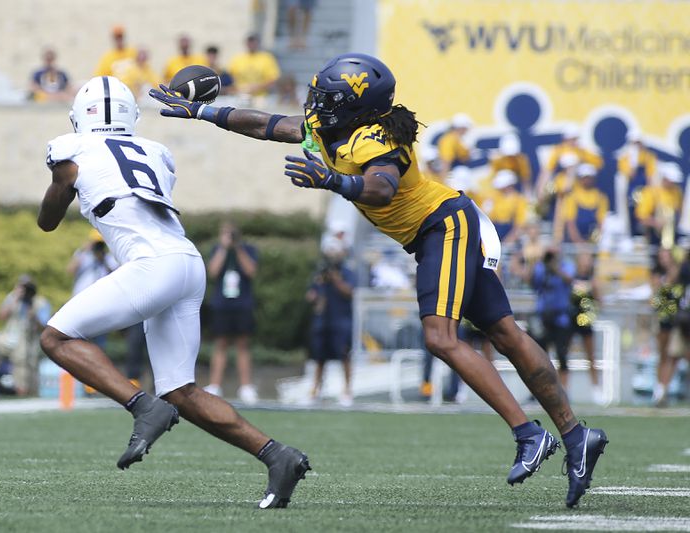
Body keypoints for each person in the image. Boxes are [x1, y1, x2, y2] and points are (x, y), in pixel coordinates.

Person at [151, 52, 608, 508]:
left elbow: (380, 187)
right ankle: (575, 434)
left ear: (359, 106)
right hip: (439, 229)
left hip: (443, 226)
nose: (316, 104)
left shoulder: (378, 137)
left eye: (328, 98)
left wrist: (332, 181)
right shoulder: (331, 124)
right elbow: (268, 124)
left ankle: (530, 434)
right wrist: (205, 112)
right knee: (505, 332)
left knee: (441, 338)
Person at [37, 76, 310, 508]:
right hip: (187, 263)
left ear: (78, 118)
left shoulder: (68, 150)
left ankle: (141, 406)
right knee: (180, 389)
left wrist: (61, 184)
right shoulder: (157, 152)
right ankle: (279, 456)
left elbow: (48, 220)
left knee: (56, 337)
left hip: (152, 266)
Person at [203, 221, 260, 405]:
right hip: (222, 303)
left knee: (243, 344)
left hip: (242, 303)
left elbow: (251, 271)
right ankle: (215, 385)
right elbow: (212, 271)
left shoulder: (248, 249)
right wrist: (223, 248)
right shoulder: (217, 249)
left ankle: (245, 387)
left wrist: (237, 248)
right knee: (220, 344)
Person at [0, 274, 51, 396]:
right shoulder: (12, 298)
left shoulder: (41, 302)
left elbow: (44, 327)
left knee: (22, 358)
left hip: (27, 341)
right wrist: (15, 298)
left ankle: (22, 390)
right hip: (7, 337)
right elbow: (1, 316)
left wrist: (32, 313)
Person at [305, 238, 356, 406]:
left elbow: (349, 292)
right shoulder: (319, 273)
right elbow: (311, 294)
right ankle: (315, 390)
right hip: (322, 321)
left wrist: (335, 279)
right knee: (319, 358)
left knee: (344, 356)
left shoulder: (347, 272)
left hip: (341, 320)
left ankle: (347, 391)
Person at [529, 247, 575, 391]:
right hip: (543, 317)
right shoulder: (541, 268)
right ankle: (541, 391)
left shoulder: (566, 265)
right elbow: (532, 282)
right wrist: (538, 262)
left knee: (562, 355)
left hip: (561, 318)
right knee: (539, 357)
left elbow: (569, 279)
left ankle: (563, 391)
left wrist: (555, 268)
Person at [67, 229, 118, 350]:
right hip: (80, 301)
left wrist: (103, 259)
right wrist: (84, 250)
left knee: (99, 342)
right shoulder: (83, 255)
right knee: (79, 339)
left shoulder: (109, 258)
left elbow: (116, 275)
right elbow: (70, 270)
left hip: (101, 304)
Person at [650, 246, 686, 407]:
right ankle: (660, 390)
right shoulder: (658, 276)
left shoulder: (680, 273)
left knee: (674, 355)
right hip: (664, 320)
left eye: (666, 256)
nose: (663, 259)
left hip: (680, 321)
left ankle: (663, 389)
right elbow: (656, 297)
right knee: (664, 355)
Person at [571, 252, 603, 405]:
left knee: (591, 356)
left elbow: (599, 301)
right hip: (570, 320)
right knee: (562, 356)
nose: (586, 263)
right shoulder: (571, 277)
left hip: (585, 320)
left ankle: (596, 390)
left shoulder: (592, 280)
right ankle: (563, 390)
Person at [636, 163, 684, 249]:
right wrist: (656, 223)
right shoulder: (650, 192)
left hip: (672, 236)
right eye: (671, 181)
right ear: (665, 178)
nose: (673, 183)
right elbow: (641, 217)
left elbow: (679, 211)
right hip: (654, 238)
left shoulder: (677, 192)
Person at [561, 164, 608, 244]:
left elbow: (602, 223)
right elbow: (570, 223)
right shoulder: (572, 196)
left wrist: (592, 243)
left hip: (593, 243)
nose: (587, 180)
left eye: (589, 177)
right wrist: (579, 243)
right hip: (573, 243)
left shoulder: (600, 197)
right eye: (584, 178)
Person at [482, 169, 528, 246]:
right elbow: (488, 216)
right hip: (494, 231)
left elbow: (520, 224)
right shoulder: (495, 197)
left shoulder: (519, 200)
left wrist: (509, 241)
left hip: (509, 231)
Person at [227, 33, 280, 99]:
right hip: (241, 96)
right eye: (250, 42)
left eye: (253, 42)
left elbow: (273, 79)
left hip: (261, 96)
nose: (251, 45)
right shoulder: (238, 59)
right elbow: (230, 77)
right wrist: (240, 88)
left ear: (258, 43)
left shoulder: (266, 58)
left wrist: (258, 87)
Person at [437, 113, 473, 181]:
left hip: (459, 173)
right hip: (455, 175)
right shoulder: (449, 139)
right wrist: (443, 180)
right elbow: (446, 161)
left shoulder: (458, 139)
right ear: (461, 127)